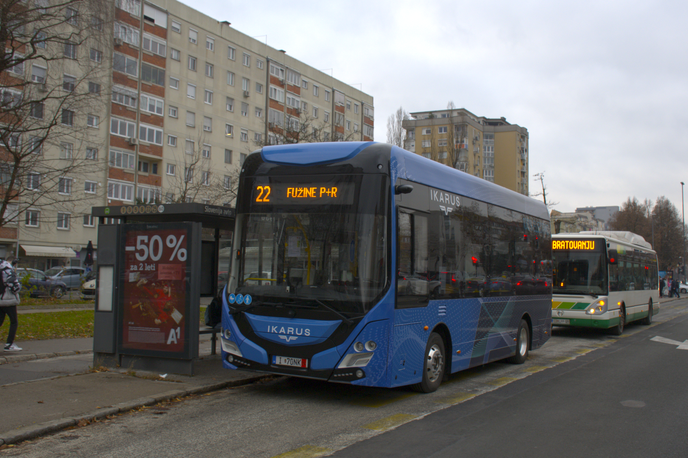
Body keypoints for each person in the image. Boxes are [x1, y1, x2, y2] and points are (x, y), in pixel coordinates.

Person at [0, 256, 22, 351]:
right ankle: (9, 344)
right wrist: (17, 289)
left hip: (0, 299)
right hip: (9, 299)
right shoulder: (7, 269)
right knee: (14, 322)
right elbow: (13, 284)